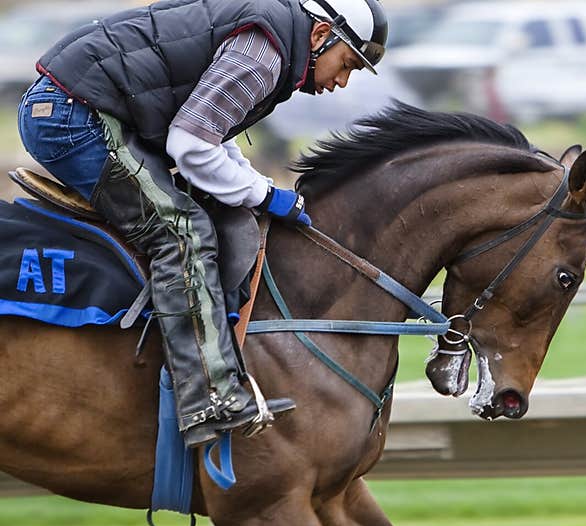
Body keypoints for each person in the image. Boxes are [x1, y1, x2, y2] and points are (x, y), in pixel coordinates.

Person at [17, 0, 389, 448]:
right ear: (320, 35)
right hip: (73, 119)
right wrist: (268, 195)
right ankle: (209, 398)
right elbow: (191, 145)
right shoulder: (263, 54)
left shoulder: (273, 42)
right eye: (346, 63)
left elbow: (212, 136)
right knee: (182, 233)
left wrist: (260, 188)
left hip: (87, 109)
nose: (341, 82)